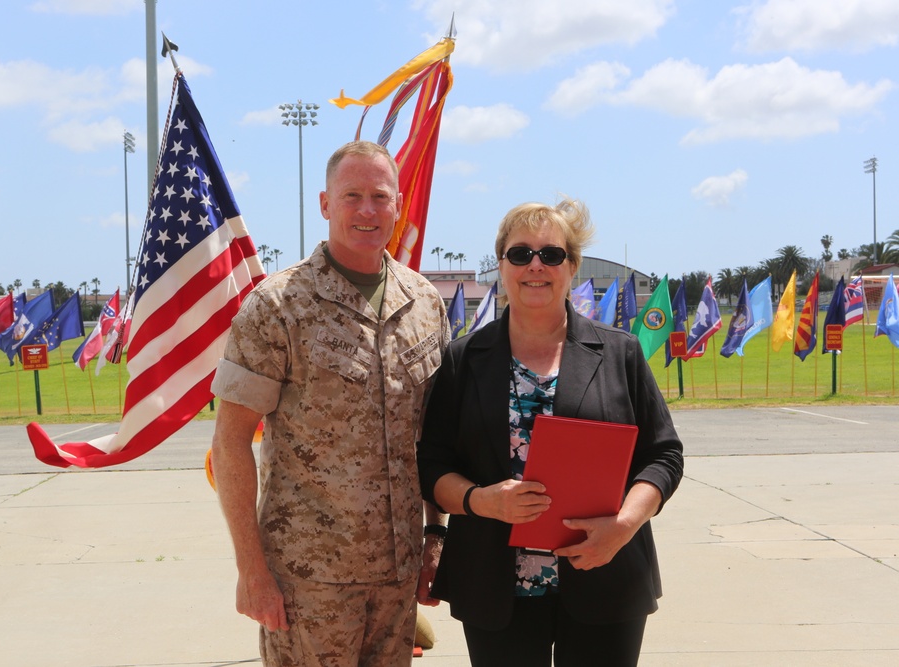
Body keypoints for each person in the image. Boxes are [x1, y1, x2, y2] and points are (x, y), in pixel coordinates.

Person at [210, 140, 450, 666]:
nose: (367, 210)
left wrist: (434, 535)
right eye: (352, 196)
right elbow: (229, 443)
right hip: (307, 580)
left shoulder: (424, 303)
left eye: (380, 197)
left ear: (397, 205)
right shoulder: (278, 304)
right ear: (325, 204)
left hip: (397, 574)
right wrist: (252, 570)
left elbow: (435, 438)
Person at [416, 198, 683, 666]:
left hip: (606, 574)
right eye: (520, 254)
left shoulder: (620, 353)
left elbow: (663, 457)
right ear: (501, 265)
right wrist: (483, 500)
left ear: (572, 266)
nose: (535, 265)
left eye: (551, 254)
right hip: (495, 587)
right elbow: (432, 464)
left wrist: (623, 526)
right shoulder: (462, 359)